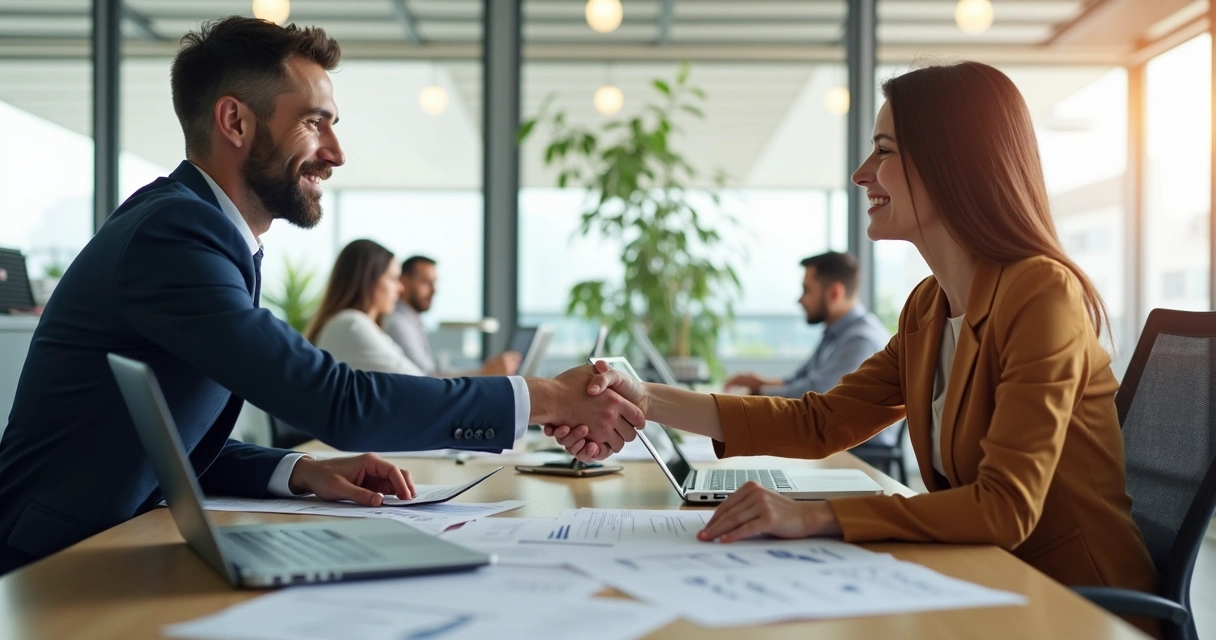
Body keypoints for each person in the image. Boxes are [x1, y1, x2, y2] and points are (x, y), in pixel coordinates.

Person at [0, 17, 638, 576]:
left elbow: (163, 439)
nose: (334, 153)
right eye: (314, 123)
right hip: (51, 562)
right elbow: (337, 399)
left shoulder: (195, 229)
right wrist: (546, 396)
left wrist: (295, 471)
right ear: (235, 121)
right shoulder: (176, 234)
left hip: (111, 542)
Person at [554, 61, 1159, 629]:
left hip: (1075, 608)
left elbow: (1004, 507)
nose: (861, 172)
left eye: (885, 151)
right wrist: (642, 398)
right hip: (985, 583)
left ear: (954, 164)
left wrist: (815, 515)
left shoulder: (1040, 293)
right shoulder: (929, 305)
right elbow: (820, 423)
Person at [725, 251, 899, 446]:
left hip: (859, 451)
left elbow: (819, 395)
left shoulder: (860, 338)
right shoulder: (836, 332)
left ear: (835, 293)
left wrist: (757, 395)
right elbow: (801, 378)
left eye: (807, 290)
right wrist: (759, 384)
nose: (800, 300)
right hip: (834, 441)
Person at [383, 255, 519, 376]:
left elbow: (434, 369)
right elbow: (426, 378)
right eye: (426, 282)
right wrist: (484, 372)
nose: (434, 290)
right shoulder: (397, 324)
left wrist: (484, 369)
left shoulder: (412, 321)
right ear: (404, 282)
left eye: (434, 283)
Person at [306, 240, 426, 375]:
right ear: (370, 280)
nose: (400, 288)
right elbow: (416, 381)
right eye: (393, 278)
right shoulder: (351, 324)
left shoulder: (351, 324)